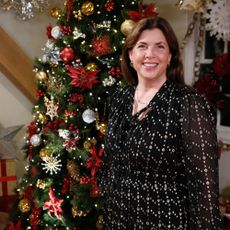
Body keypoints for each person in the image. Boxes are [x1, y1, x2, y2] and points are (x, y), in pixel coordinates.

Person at [98, 17, 224, 229]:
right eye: (142, 46)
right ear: (130, 55)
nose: (150, 54)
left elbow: (204, 190)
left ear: (170, 56)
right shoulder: (120, 98)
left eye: (159, 47)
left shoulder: (188, 103)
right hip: (119, 221)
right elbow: (111, 164)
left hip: (166, 222)